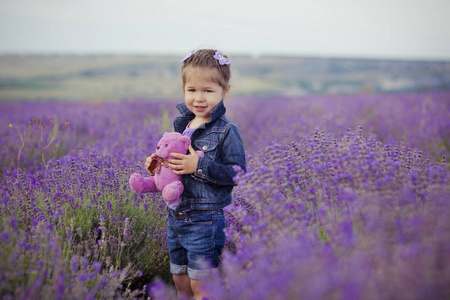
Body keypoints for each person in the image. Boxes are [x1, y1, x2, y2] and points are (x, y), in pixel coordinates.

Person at [145, 48, 246, 300]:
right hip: (176, 218)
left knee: (202, 285)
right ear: (184, 89)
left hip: (205, 221)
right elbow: (173, 165)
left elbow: (238, 173)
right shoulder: (182, 126)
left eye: (208, 91)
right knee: (180, 279)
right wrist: (158, 163)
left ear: (225, 91)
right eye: (192, 90)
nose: (198, 98)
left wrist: (197, 166)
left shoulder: (226, 131)